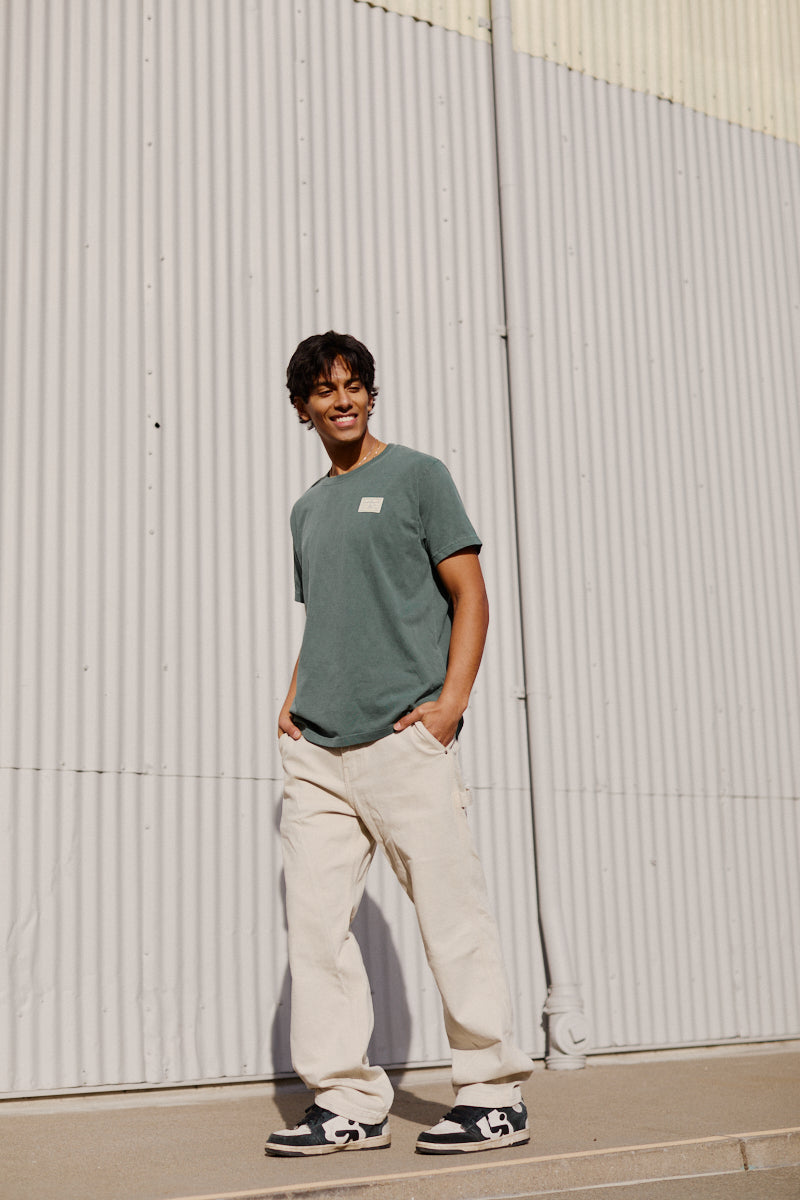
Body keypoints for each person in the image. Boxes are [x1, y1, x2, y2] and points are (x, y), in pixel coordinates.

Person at [265, 332, 533, 1158]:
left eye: (353, 386)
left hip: (403, 737)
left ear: (370, 396)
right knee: (315, 928)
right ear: (302, 407)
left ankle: (492, 1093)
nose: (341, 400)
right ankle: (347, 1101)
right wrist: (293, 697)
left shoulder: (419, 477)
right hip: (318, 751)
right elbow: (329, 615)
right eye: (323, 390)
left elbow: (470, 593)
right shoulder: (307, 508)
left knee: (453, 919)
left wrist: (450, 705)